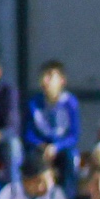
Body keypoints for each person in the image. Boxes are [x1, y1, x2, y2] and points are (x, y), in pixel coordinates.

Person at [27, 60, 81, 191]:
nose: (45, 80)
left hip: (62, 147)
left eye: (50, 76)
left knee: (69, 159)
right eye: (43, 76)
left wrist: (56, 147)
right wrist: (41, 145)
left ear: (62, 80)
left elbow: (74, 135)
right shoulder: (34, 103)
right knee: (32, 160)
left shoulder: (70, 103)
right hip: (40, 148)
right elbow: (28, 133)